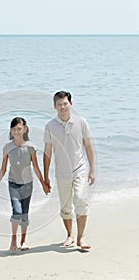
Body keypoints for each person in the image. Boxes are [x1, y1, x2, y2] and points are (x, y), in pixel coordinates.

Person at [43, 91, 95, 250]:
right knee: (65, 208)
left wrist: (92, 170)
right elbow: (47, 152)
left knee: (80, 200)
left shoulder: (81, 122)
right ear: (54, 107)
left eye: (65, 103)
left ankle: (80, 239)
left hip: (79, 169)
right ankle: (69, 235)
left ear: (70, 104)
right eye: (59, 104)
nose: (62, 107)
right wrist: (45, 177)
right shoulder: (50, 126)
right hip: (61, 173)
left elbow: (88, 146)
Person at [0, 117, 49, 251]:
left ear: (24, 129)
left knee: (25, 214)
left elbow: (36, 168)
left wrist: (44, 184)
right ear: (10, 130)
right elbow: (3, 169)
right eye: (14, 129)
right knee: (16, 212)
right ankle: (13, 239)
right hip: (13, 184)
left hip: (28, 184)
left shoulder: (31, 147)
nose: (16, 131)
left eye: (19, 129)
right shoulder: (7, 147)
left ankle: (23, 241)